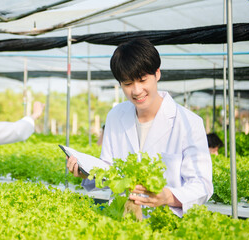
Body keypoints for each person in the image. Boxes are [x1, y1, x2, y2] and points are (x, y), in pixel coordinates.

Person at [66, 39, 213, 217]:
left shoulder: (189, 123)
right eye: (127, 84)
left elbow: (202, 185)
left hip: (167, 222)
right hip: (122, 218)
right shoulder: (115, 116)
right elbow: (110, 168)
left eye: (142, 80)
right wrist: (89, 173)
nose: (136, 91)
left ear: (157, 74)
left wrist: (168, 196)